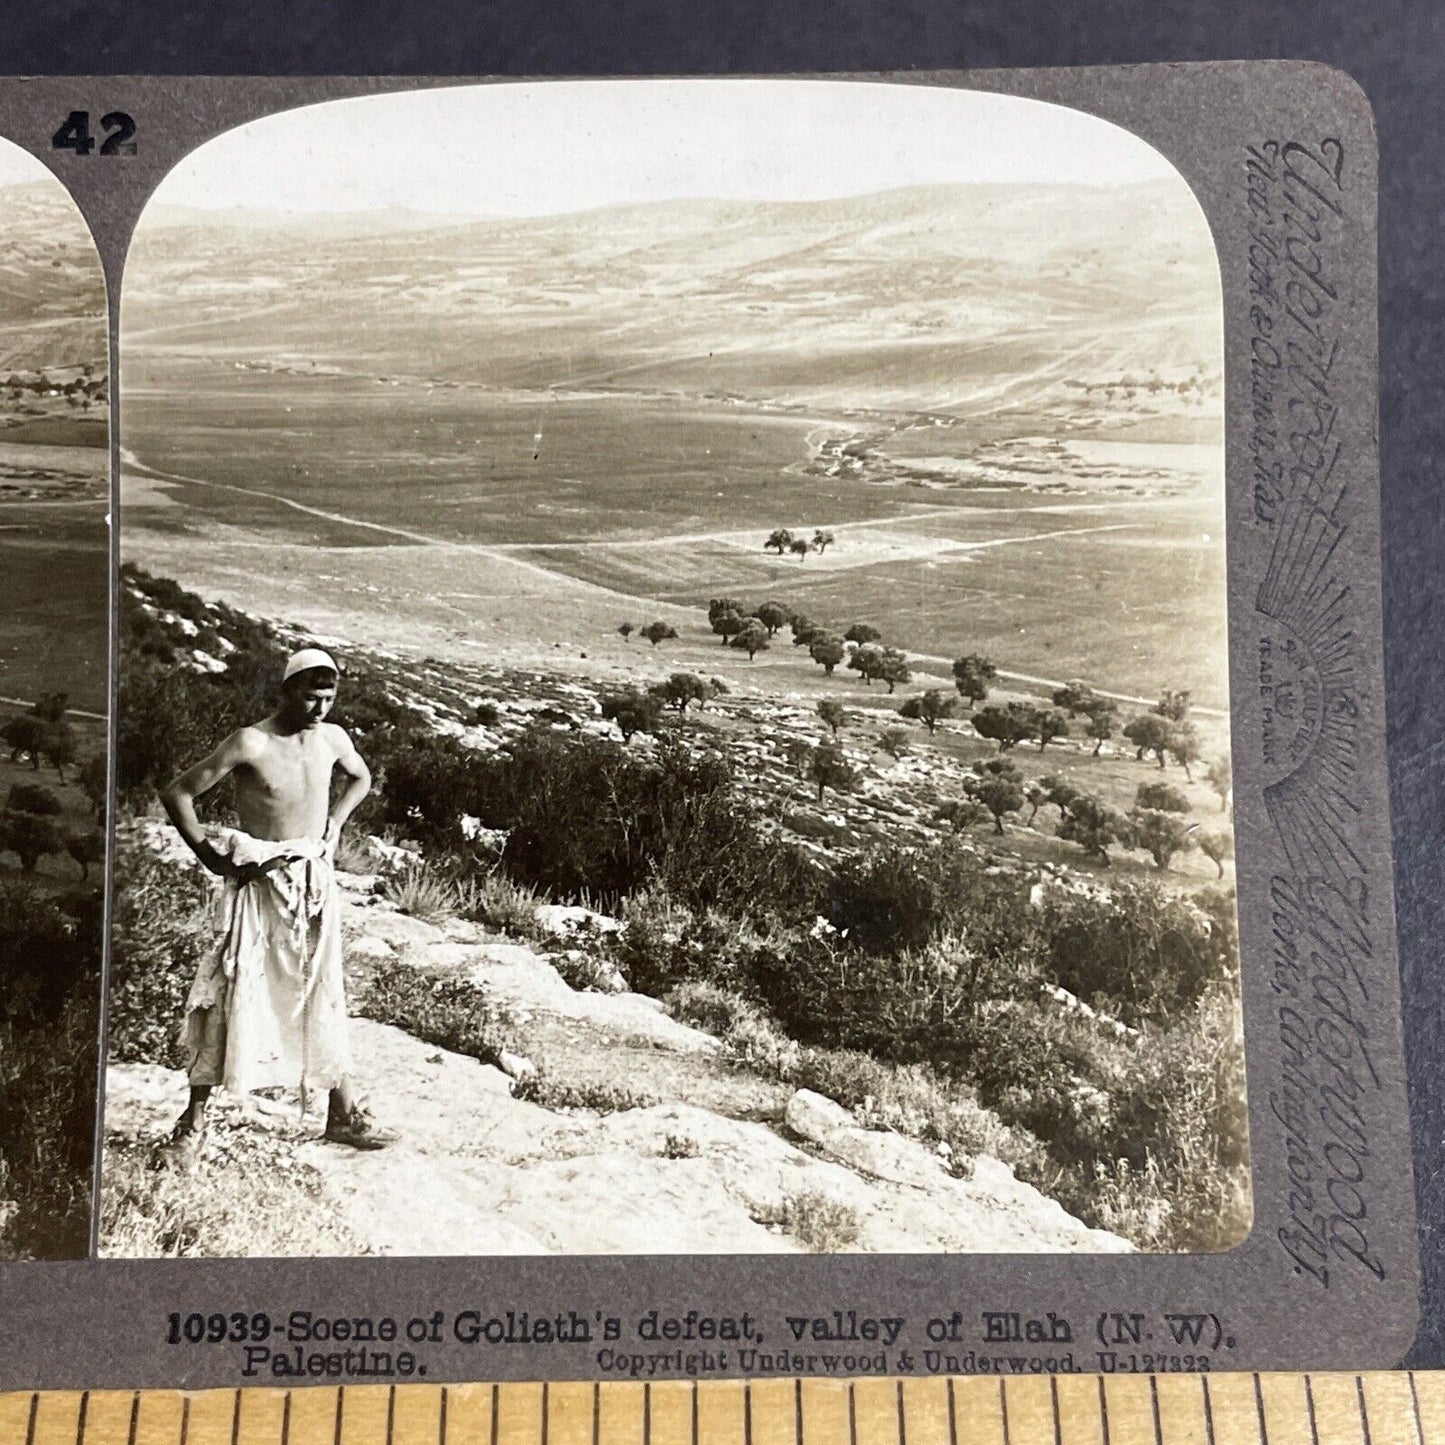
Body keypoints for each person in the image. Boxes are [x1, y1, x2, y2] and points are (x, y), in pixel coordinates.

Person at [159, 646, 395, 1162]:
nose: (320, 709)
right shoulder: (252, 741)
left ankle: (342, 1115)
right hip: (260, 882)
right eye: (311, 698)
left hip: (315, 880)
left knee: (323, 988)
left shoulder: (333, 738)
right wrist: (211, 857)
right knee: (232, 984)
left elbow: (362, 777)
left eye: (329, 698)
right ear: (287, 692)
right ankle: (192, 1126)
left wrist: (335, 823)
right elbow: (178, 793)